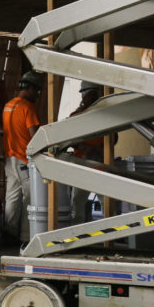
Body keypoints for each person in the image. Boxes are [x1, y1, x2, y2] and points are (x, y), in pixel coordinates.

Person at [2, 70, 43, 244]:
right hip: (25, 162)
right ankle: (27, 237)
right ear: (31, 88)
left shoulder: (8, 106)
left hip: (10, 159)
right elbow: (35, 137)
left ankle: (9, 233)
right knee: (31, 198)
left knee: (12, 198)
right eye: (37, 91)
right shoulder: (28, 108)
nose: (38, 95)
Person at [69, 81, 104, 224]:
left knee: (106, 202)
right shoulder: (76, 116)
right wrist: (87, 149)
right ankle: (77, 237)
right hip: (82, 165)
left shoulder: (105, 115)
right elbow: (70, 140)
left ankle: (110, 235)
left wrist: (98, 150)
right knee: (77, 202)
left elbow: (113, 139)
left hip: (100, 165)